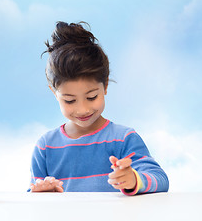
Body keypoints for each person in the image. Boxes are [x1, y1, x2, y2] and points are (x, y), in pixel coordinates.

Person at [29, 21, 169, 195]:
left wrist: (133, 179)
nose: (83, 109)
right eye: (70, 100)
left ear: (105, 85)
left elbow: (160, 179)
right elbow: (31, 196)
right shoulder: (46, 147)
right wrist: (42, 193)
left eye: (91, 97)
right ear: (54, 93)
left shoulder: (123, 139)